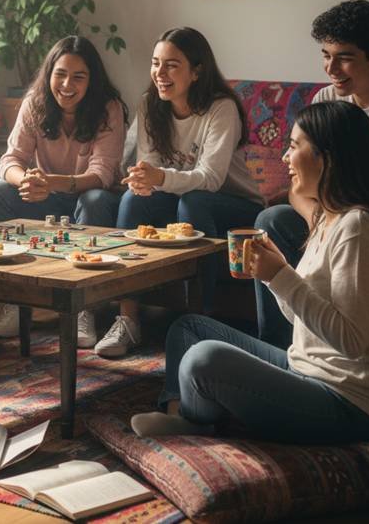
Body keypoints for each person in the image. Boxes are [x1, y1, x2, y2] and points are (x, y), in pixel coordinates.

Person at [131, 101, 369, 443]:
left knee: (204, 359)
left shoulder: (358, 229)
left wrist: (281, 276)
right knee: (189, 329)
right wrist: (273, 276)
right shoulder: (329, 219)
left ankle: (197, 420)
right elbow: (302, 321)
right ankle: (186, 417)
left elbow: (350, 341)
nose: (285, 157)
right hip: (306, 369)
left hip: (350, 402)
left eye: (294, 146)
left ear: (327, 159)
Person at [255, 0, 369, 350]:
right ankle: (280, 346)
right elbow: (298, 188)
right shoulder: (326, 99)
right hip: (332, 214)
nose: (331, 68)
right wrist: (320, 221)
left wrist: (340, 217)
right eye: (326, 55)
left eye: (344, 57)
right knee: (271, 220)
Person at [102, 27, 264, 358]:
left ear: (197, 71)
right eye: (155, 63)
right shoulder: (150, 104)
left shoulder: (221, 108)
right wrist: (143, 179)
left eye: (172, 65)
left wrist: (159, 177)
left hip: (235, 206)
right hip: (180, 198)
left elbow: (211, 179)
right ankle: (128, 319)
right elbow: (150, 165)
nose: (160, 73)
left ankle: (200, 320)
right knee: (133, 199)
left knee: (194, 202)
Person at [0, 35, 129, 345]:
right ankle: (14, 303)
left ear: (92, 80)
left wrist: (52, 182)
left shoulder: (109, 108)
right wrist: (26, 181)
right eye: (60, 74)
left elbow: (101, 175)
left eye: (79, 77)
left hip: (88, 199)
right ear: (49, 75)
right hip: (47, 198)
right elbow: (10, 160)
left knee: (95, 199)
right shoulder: (34, 103)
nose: (67, 84)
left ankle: (85, 309)